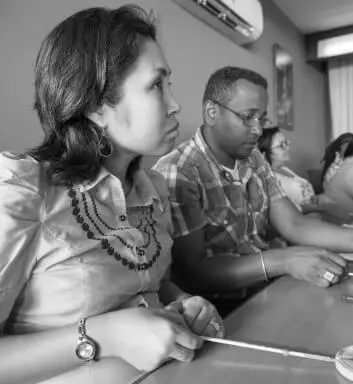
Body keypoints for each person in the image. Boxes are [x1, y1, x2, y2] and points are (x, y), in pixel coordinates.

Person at [0, 6, 223, 384]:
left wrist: (182, 304)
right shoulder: (24, 191)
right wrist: (106, 335)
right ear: (95, 106)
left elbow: (149, 285)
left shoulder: (151, 192)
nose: (175, 105)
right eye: (156, 85)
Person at [153, 66, 353, 315]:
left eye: (261, 119)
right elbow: (193, 273)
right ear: (212, 112)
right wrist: (281, 260)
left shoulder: (253, 159)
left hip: (268, 287)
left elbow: (294, 224)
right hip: (220, 308)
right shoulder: (178, 171)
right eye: (248, 117)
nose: (258, 130)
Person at [258, 127, 335, 215]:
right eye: (281, 145)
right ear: (263, 154)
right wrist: (317, 206)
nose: (288, 147)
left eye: (287, 142)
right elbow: (282, 214)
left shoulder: (284, 169)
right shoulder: (268, 180)